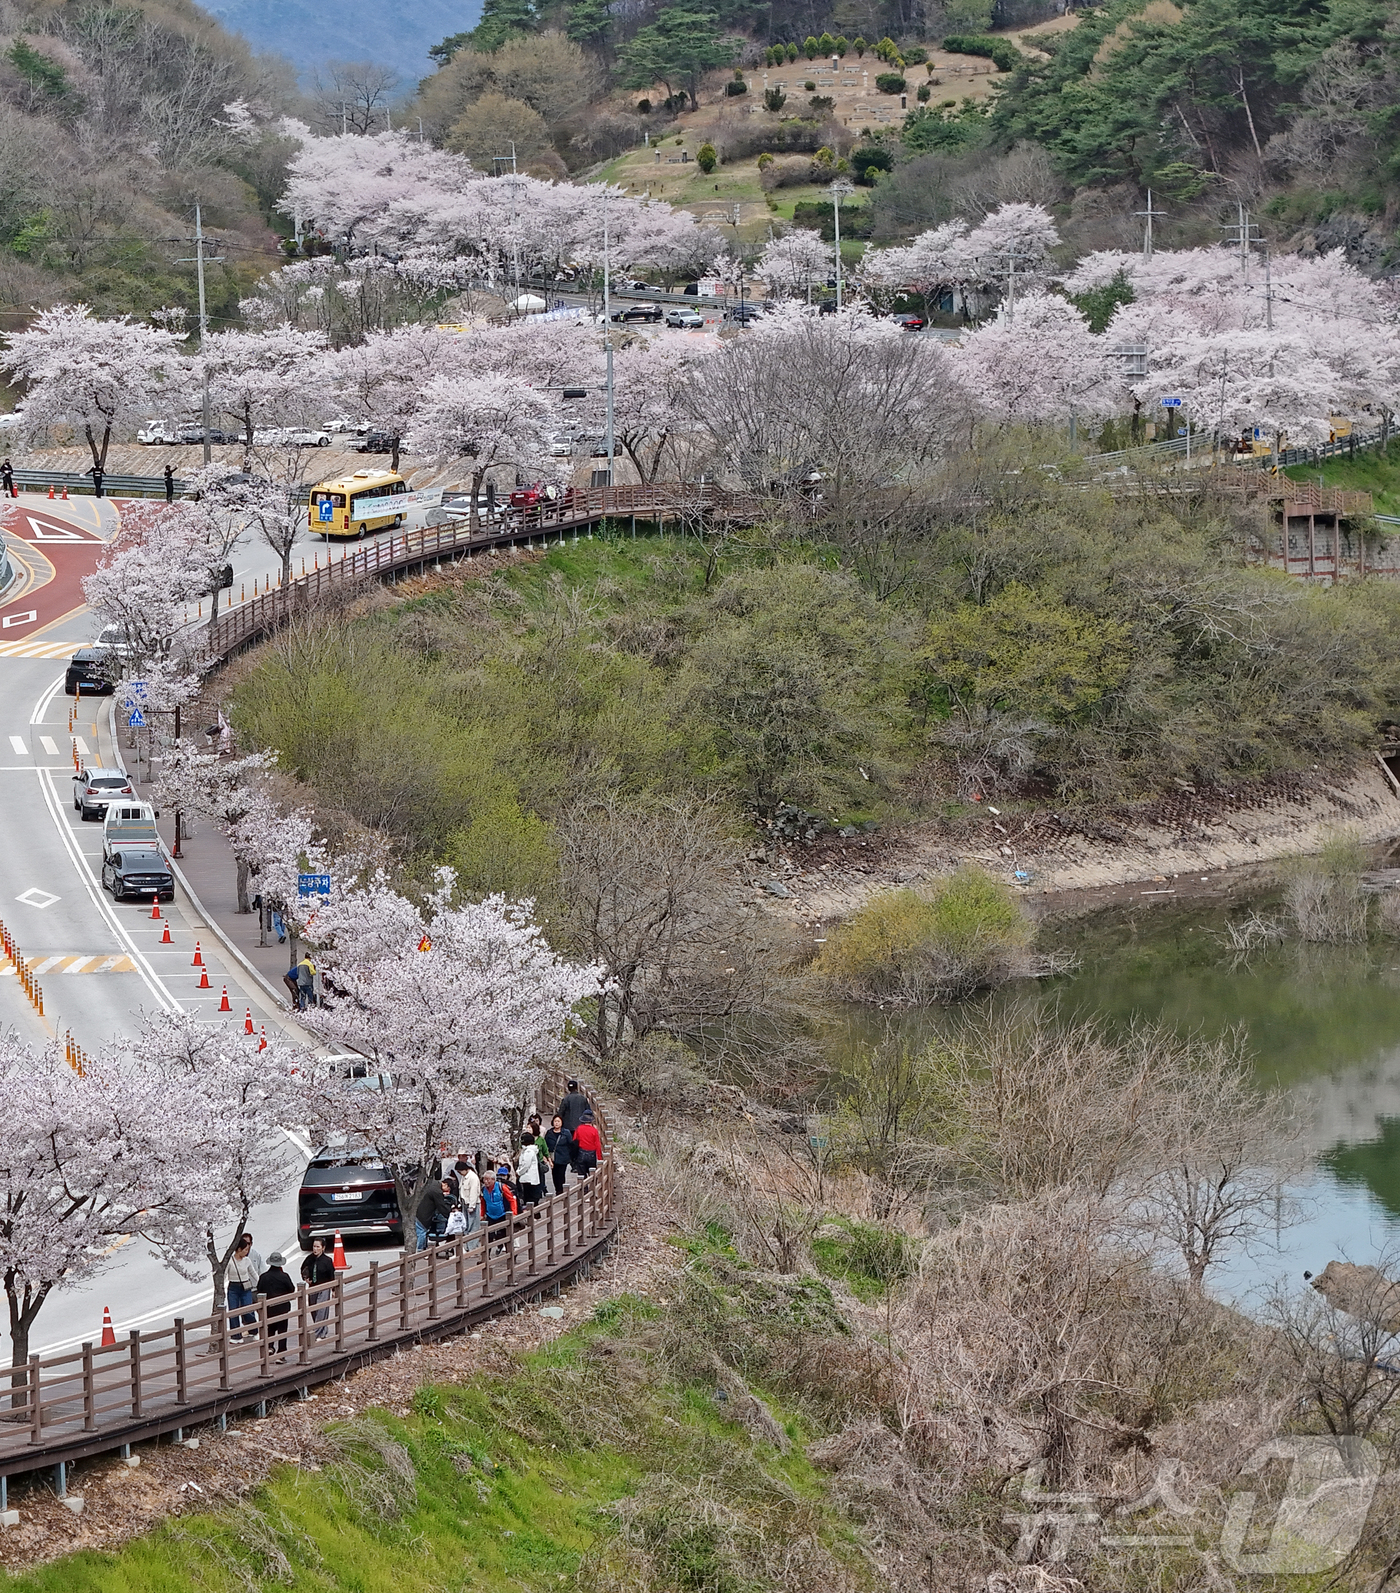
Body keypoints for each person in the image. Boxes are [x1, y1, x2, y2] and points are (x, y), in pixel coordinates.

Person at [256, 1252, 295, 1360]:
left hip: (269, 1308)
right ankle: (281, 1354)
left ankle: (269, 1347)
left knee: (270, 1329)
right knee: (282, 1330)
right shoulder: (284, 1276)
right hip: (282, 1308)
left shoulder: (264, 1277)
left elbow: (259, 1290)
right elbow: (291, 1289)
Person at [226, 1233, 263, 1341]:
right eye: (245, 1250)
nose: (247, 1252)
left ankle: (254, 1330)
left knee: (248, 1310)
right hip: (233, 1287)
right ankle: (236, 1336)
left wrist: (261, 1284)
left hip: (246, 1287)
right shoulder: (230, 1261)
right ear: (238, 1249)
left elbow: (254, 1274)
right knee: (233, 1311)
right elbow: (223, 1276)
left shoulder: (247, 1260)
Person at [301, 1237, 336, 1340]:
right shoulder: (310, 1258)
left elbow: (331, 1275)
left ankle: (316, 1333)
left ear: (323, 1248)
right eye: (314, 1246)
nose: (315, 1249)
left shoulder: (327, 1260)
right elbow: (303, 1269)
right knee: (313, 1309)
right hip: (313, 1286)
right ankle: (322, 1331)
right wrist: (305, 1278)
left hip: (324, 1286)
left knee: (322, 1309)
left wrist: (333, 1289)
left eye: (318, 1247)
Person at [479, 1168, 517, 1252]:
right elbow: (483, 1202)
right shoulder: (483, 1189)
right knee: (488, 1236)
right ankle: (486, 1257)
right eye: (484, 1179)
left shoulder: (501, 1187)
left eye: (488, 1179)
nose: (486, 1182)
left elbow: (512, 1199)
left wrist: (514, 1213)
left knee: (504, 1235)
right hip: (490, 1215)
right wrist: (482, 1214)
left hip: (502, 1214)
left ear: (493, 1179)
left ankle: (510, 1253)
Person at [415, 1179, 453, 1251]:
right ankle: (420, 1251)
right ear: (445, 1184)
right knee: (422, 1233)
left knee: (420, 1232)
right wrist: (449, 1215)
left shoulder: (432, 1183)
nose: (448, 1191)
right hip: (424, 1214)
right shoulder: (437, 1192)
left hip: (418, 1210)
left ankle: (421, 1249)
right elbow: (441, 1206)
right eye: (448, 1188)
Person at [546, 1115, 573, 1196]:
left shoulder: (566, 1133)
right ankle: (557, 1189)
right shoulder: (549, 1133)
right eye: (555, 1121)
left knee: (561, 1174)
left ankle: (561, 1190)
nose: (557, 1123)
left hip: (563, 1156)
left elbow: (570, 1144)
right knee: (554, 1174)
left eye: (558, 1121)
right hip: (553, 1157)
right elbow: (546, 1144)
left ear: (561, 1123)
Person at [572, 1111, 603, 1180]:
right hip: (591, 1153)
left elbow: (575, 1140)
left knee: (582, 1174)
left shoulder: (579, 1128)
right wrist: (599, 1157)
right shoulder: (594, 1130)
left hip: (581, 1152)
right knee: (592, 1174)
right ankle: (592, 1188)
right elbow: (597, 1144)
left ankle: (584, 1189)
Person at [517, 1133, 544, 1206]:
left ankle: (533, 1215)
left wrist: (518, 1172)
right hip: (531, 1178)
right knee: (531, 1197)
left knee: (529, 1198)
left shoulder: (528, 1151)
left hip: (528, 1178)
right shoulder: (531, 1151)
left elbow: (526, 1165)